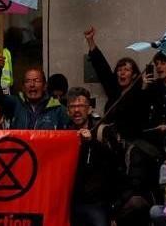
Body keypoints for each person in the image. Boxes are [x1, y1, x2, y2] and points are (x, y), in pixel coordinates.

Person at [66, 86, 118, 226]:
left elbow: (115, 160)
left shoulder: (103, 130)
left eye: (81, 106)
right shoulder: (64, 132)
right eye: (72, 106)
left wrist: (92, 142)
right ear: (67, 110)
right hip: (70, 202)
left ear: (89, 109)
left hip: (96, 203)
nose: (77, 110)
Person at [0, 54, 67, 130]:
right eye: (27, 81)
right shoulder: (15, 104)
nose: (32, 85)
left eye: (36, 81)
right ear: (23, 87)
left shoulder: (58, 109)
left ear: (45, 86)